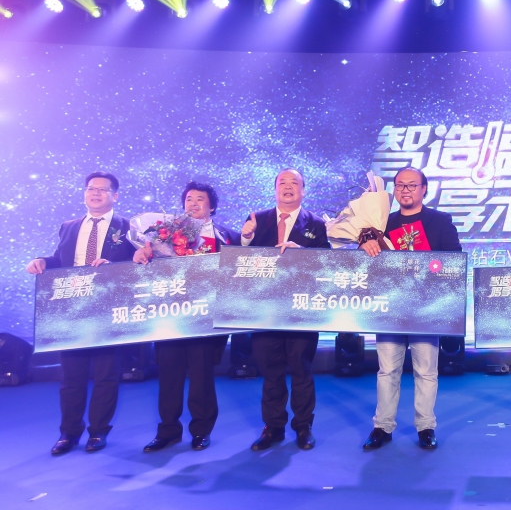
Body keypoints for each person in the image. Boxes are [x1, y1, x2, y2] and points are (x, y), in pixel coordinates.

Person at [25, 172, 134, 455]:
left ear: (115, 196)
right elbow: (60, 259)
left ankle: (98, 432)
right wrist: (41, 261)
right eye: (90, 188)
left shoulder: (128, 227)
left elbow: (137, 265)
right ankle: (69, 432)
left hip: (108, 306)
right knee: (71, 375)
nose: (95, 193)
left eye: (102, 189)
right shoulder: (69, 226)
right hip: (72, 308)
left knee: (106, 373)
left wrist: (113, 266)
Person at [359, 166, 461, 451]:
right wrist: (366, 244)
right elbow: (367, 266)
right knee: (387, 370)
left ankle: (426, 426)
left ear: (423, 189)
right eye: (400, 185)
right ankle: (382, 427)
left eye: (411, 185)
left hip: (427, 308)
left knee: (426, 371)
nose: (405, 190)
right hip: (390, 308)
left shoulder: (440, 221)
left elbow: (454, 260)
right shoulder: (382, 223)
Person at [135, 182, 240, 453]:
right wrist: (142, 252)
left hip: (206, 317)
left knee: (202, 376)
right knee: (169, 375)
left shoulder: (228, 235)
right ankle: (167, 431)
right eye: (189, 199)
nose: (193, 203)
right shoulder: (165, 233)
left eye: (200, 199)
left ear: (212, 207)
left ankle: (201, 431)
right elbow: (149, 264)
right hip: (172, 315)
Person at [241, 168, 329, 451]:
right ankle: (273, 428)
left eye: (294, 183)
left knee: (301, 369)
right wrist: (245, 239)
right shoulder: (257, 219)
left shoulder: (316, 224)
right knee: (271, 371)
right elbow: (239, 262)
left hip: (301, 309)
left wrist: (301, 253)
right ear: (275, 188)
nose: (288, 187)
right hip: (264, 309)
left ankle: (303, 427)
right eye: (282, 182)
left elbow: (326, 263)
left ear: (303, 190)